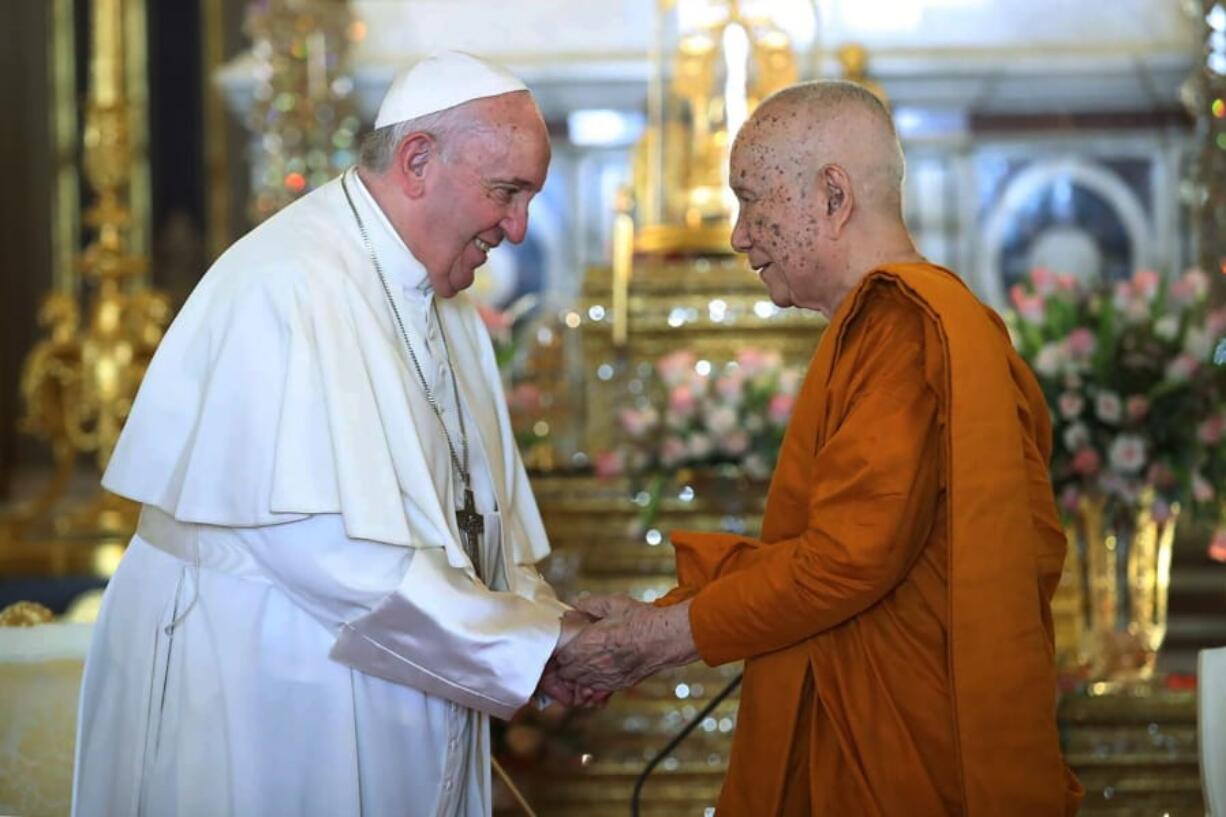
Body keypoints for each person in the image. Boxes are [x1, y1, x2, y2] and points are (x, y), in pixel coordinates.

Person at [73, 51, 593, 817]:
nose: (516, 228)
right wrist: (544, 646)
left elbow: (482, 523)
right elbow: (334, 558)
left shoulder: (442, 299)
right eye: (505, 193)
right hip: (269, 691)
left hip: (386, 680)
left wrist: (546, 623)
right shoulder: (288, 285)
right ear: (417, 160)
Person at [551, 80, 1085, 816]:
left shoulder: (904, 328)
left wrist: (659, 638)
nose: (739, 234)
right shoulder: (881, 328)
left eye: (751, 199)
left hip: (900, 766)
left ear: (833, 195)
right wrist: (659, 613)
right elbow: (831, 547)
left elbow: (846, 561)